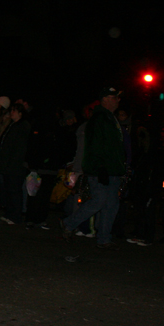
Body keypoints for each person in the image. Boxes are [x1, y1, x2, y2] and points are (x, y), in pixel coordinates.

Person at [62, 87, 126, 249]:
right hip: (101, 169)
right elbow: (95, 145)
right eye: (114, 97)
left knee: (111, 204)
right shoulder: (99, 118)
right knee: (99, 200)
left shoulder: (110, 118)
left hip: (112, 169)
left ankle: (104, 238)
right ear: (105, 99)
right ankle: (69, 223)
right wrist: (100, 167)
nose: (117, 100)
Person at [0, 102, 31, 225]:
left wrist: (13, 163)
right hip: (8, 164)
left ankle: (16, 216)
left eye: (14, 111)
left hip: (15, 166)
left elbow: (19, 148)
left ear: (20, 113)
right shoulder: (13, 125)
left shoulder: (22, 126)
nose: (12, 113)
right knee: (9, 189)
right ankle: (9, 213)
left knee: (15, 190)